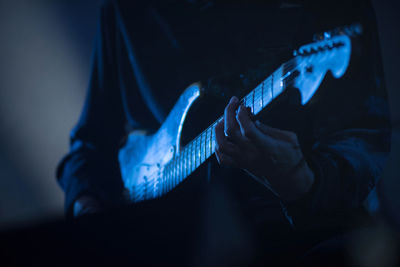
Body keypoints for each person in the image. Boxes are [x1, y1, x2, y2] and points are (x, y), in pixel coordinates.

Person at [56, 0, 391, 263]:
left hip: (304, 243)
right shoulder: (124, 10)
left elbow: (366, 138)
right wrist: (90, 215)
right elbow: (88, 147)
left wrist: (300, 179)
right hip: (167, 247)